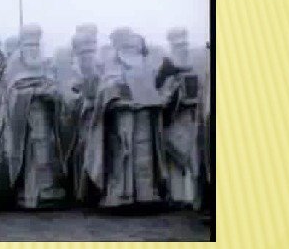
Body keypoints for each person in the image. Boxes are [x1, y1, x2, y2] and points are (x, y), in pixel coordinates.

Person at [79, 28, 169, 208]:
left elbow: (154, 88)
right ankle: (121, 195)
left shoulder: (145, 65)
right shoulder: (112, 66)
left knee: (144, 154)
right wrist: (118, 97)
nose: (134, 50)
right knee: (123, 154)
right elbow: (105, 89)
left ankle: (145, 194)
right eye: (129, 46)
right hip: (122, 116)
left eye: (136, 47)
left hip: (144, 115)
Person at [0, 24, 67, 209]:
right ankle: (31, 193)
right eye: (29, 45)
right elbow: (11, 92)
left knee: (46, 149)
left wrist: (52, 93)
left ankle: (45, 190)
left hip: (44, 113)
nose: (33, 49)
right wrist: (33, 93)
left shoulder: (44, 62)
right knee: (29, 152)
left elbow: (54, 84)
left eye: (36, 45)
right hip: (24, 118)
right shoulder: (15, 62)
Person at [157, 27, 204, 208]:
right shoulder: (166, 69)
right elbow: (161, 94)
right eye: (178, 45)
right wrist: (173, 96)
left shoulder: (195, 64)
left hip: (191, 119)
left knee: (192, 158)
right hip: (173, 120)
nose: (182, 48)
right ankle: (176, 196)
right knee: (174, 159)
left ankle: (191, 197)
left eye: (184, 44)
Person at [66, 30, 101, 202]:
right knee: (83, 152)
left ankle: (93, 190)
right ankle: (83, 192)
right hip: (83, 118)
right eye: (84, 52)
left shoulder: (99, 66)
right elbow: (71, 95)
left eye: (91, 50)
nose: (88, 55)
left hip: (97, 116)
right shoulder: (74, 70)